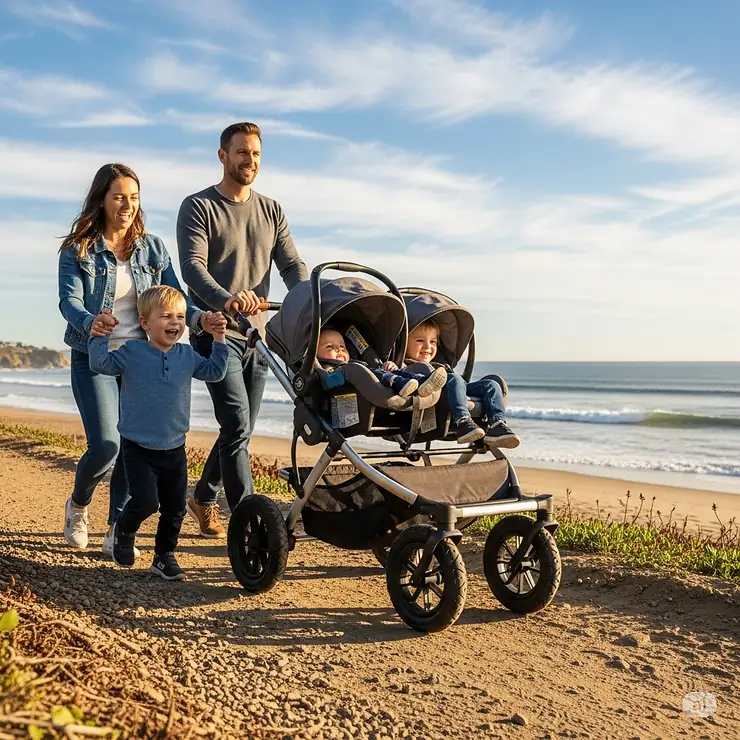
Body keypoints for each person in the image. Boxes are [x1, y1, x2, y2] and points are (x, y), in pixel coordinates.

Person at [58, 163, 224, 555]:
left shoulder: (152, 247)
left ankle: (117, 527)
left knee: (132, 443)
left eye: (133, 197)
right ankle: (79, 504)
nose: (127, 205)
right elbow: (69, 301)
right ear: (101, 199)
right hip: (94, 352)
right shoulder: (79, 248)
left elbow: (175, 296)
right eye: (118, 196)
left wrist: (201, 320)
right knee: (106, 446)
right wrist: (91, 322)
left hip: (142, 359)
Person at [178, 121, 309, 539]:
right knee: (236, 422)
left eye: (255, 153)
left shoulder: (272, 210)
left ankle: (202, 497)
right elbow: (193, 270)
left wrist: (310, 302)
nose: (248, 160)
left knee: (241, 428)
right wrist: (228, 298)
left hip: (258, 336)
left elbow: (291, 266)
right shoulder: (198, 206)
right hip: (214, 332)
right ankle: (250, 524)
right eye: (241, 152)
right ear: (222, 156)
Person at [88, 286, 228, 580]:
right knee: (146, 501)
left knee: (175, 507)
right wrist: (99, 335)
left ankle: (164, 557)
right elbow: (100, 364)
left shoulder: (187, 355)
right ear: (144, 323)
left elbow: (215, 371)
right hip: (137, 446)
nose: (174, 322)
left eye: (179, 316)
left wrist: (219, 338)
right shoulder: (132, 352)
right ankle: (124, 530)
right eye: (165, 316)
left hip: (175, 447)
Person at [398, 320, 520, 448]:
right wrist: (390, 366)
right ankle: (463, 421)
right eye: (420, 341)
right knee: (454, 378)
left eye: (433, 341)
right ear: (405, 345)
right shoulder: (405, 365)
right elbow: (394, 376)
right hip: (433, 396)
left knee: (492, 385)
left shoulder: (440, 364)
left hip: (455, 389)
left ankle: (497, 425)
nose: (428, 346)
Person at [317, 328, 447, 408]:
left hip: (379, 378)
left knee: (392, 371)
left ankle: (422, 380)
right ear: (315, 354)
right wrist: (344, 373)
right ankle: (402, 383)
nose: (338, 349)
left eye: (342, 347)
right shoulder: (328, 371)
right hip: (365, 395)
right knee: (364, 371)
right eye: (329, 347)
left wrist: (390, 366)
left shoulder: (357, 363)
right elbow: (330, 383)